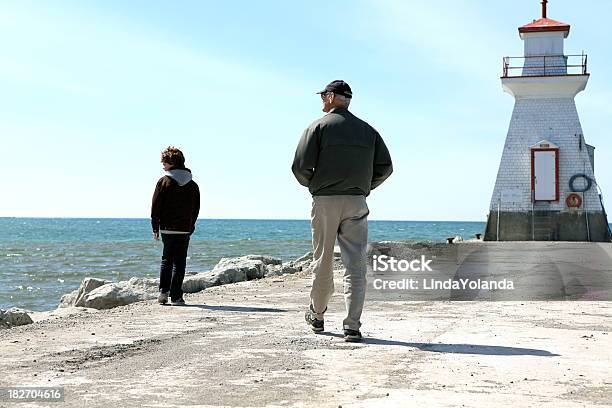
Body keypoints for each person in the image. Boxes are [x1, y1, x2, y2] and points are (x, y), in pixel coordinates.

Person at [292, 80, 393, 342]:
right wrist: (364, 187)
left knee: (323, 259)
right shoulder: (368, 131)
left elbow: (300, 166)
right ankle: (352, 325)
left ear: (333, 97)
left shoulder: (318, 127)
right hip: (357, 201)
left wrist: (315, 185)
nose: (322, 99)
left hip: (325, 201)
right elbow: (386, 167)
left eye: (324, 95)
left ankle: (318, 315)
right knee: (355, 263)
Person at [151, 146, 200, 306]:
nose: (162, 165)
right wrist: (191, 225)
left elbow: (156, 205)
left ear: (171, 162)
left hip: (167, 227)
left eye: (164, 162)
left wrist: (155, 226)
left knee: (167, 259)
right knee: (180, 262)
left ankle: (163, 292)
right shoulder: (192, 185)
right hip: (184, 228)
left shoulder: (164, 181)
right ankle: (177, 296)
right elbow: (196, 209)